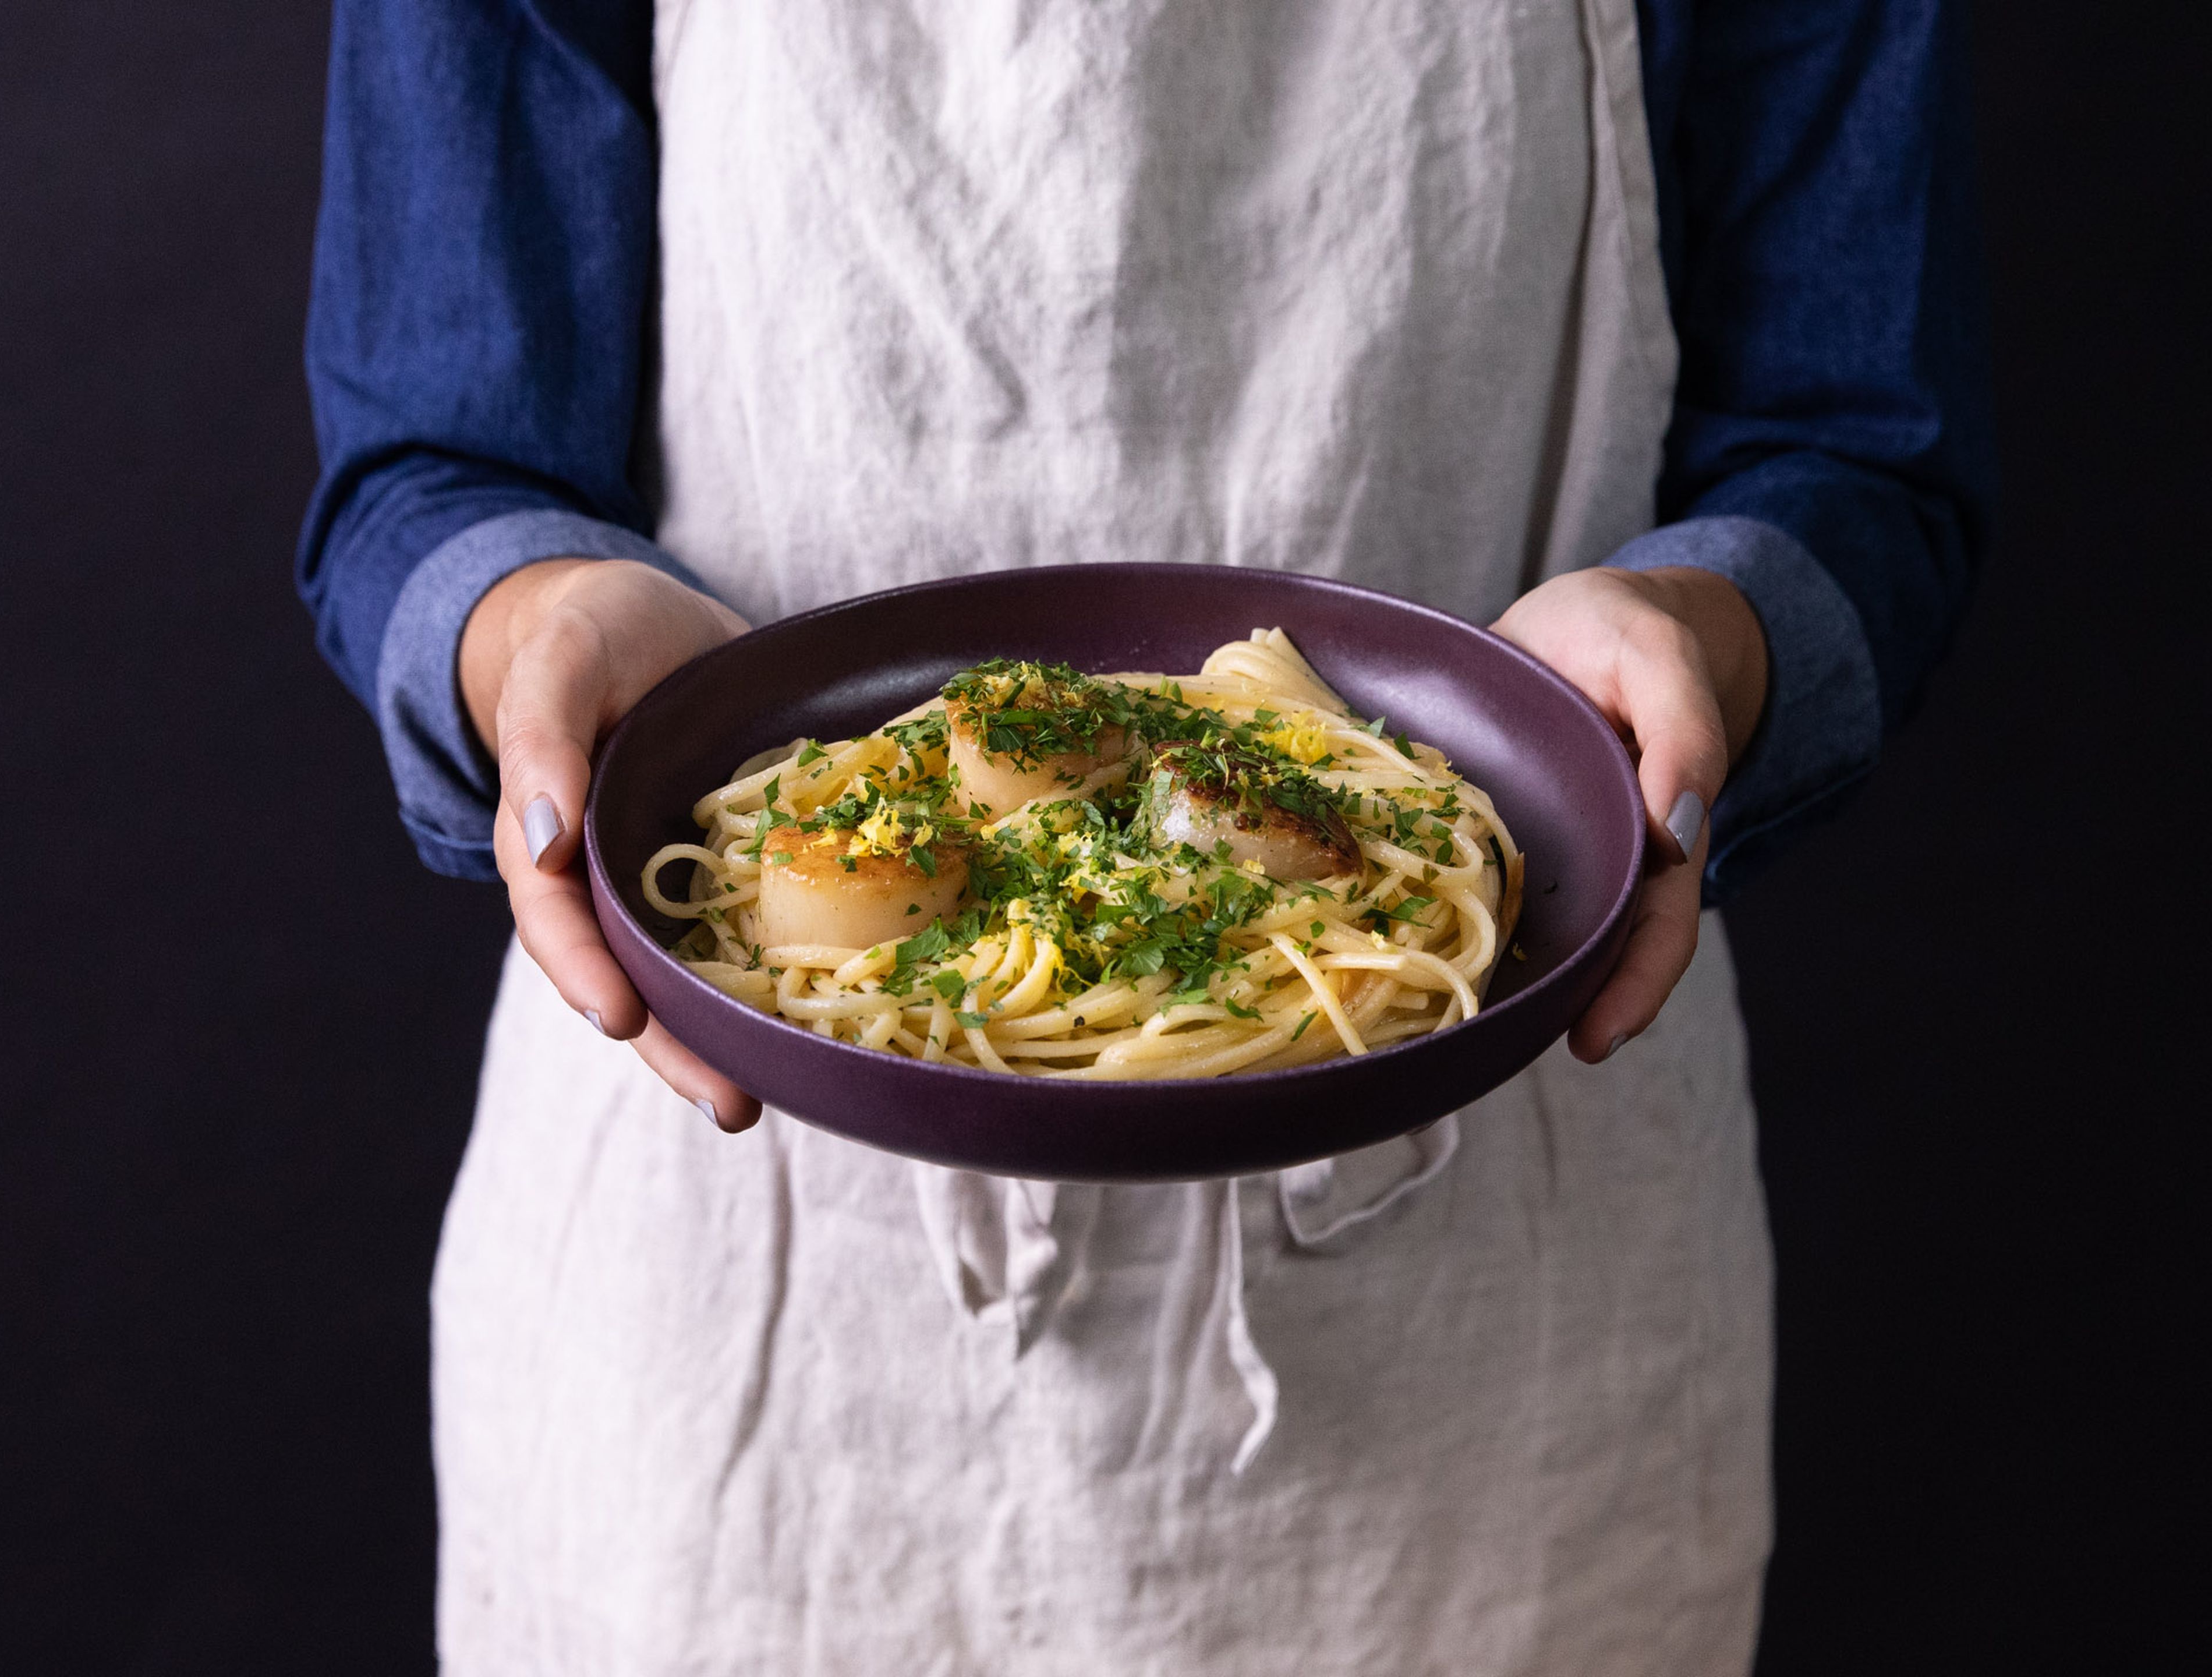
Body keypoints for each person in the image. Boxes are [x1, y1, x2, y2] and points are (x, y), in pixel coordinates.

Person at [300, 2, 1989, 1670]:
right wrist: (527, 625)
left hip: (1509, 1294)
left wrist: (1707, 629)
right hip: (742, 1331)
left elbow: (1854, 443)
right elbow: (433, 461)